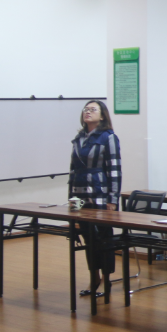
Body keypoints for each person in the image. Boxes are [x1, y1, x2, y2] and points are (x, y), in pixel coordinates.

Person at [70, 100, 121, 298]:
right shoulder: (79, 138)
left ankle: (107, 280)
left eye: (93, 110)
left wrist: (113, 199)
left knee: (103, 239)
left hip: (100, 195)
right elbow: (73, 170)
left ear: (102, 116)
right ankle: (94, 278)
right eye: (86, 109)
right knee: (88, 239)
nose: (88, 112)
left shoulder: (108, 137)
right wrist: (71, 199)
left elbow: (114, 170)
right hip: (80, 196)